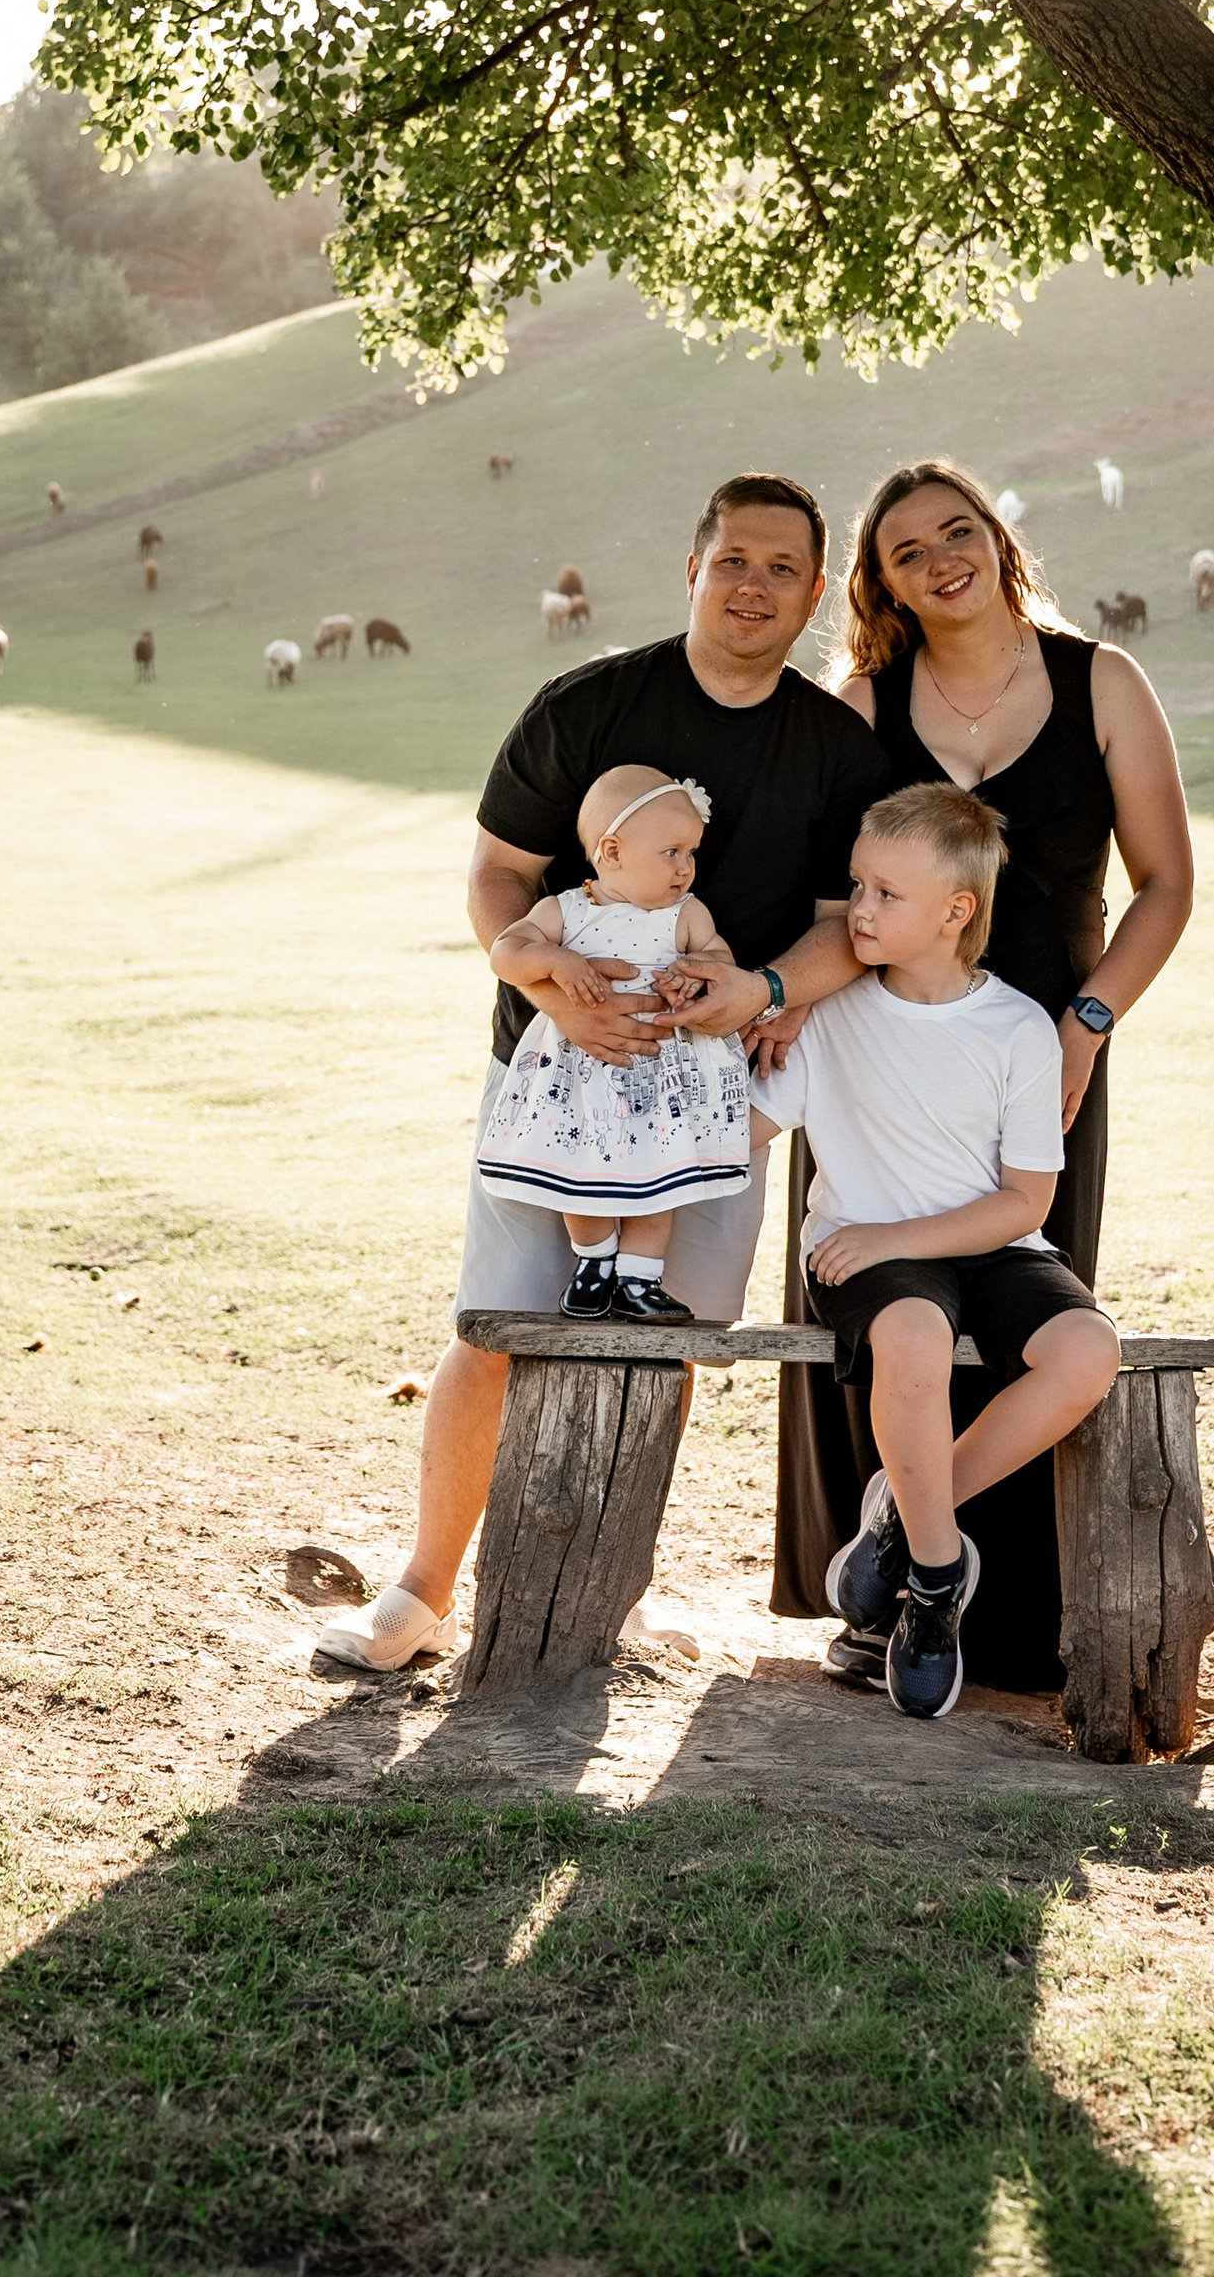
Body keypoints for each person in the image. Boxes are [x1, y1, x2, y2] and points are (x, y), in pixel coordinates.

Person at [314, 472, 894, 1674]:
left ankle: (605, 1595)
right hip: (551, 1081)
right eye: (735, 557)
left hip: (706, 1099)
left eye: (784, 567)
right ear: (693, 565)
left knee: (661, 1338)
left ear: (817, 593)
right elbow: (494, 876)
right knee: (501, 1322)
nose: (755, 584)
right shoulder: (583, 706)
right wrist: (547, 986)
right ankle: (421, 1595)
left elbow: (852, 919)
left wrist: (762, 991)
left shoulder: (837, 747)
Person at [774, 458, 1193, 1689]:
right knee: (895, 1321)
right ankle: (871, 1618)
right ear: (883, 584)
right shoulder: (862, 703)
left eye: (957, 531)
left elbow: (1164, 884)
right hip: (877, 1055)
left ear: (999, 541)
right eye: (905, 551)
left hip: (1045, 1054)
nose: (937, 557)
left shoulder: (1100, 681)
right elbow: (824, 898)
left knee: (1025, 1325)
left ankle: (974, 1601)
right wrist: (792, 1008)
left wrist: (1087, 1021)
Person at [751, 781, 1121, 1716]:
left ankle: (904, 1520)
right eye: (857, 886)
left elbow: (1024, 1202)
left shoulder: (1018, 1029)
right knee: (911, 1334)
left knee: (1089, 1352)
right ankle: (935, 1577)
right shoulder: (827, 1015)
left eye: (884, 895)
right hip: (863, 1256)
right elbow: (742, 1130)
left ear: (957, 912)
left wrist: (897, 1235)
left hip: (983, 1243)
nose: (857, 911)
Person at [481, 766, 755, 1323]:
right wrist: (556, 960)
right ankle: (594, 1262)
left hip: (661, 1078)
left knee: (658, 1182)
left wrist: (697, 974)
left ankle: (639, 1278)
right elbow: (506, 952)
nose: (687, 867)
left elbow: (720, 959)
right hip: (582, 1079)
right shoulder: (565, 911)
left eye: (691, 852)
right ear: (612, 851)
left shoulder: (686, 914)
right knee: (580, 1180)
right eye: (672, 852)